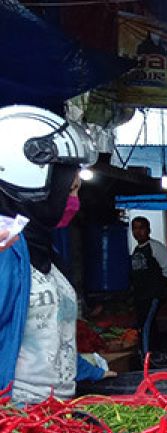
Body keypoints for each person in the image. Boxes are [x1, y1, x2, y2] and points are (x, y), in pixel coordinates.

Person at [0, 104, 99, 405]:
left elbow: (52, 342)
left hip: (54, 423)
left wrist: (93, 371)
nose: (75, 202)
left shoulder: (41, 251)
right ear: (31, 182)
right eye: (69, 191)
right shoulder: (5, 252)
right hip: (15, 428)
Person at [129, 215, 167, 355]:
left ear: (148, 230)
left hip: (152, 295)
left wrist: (159, 289)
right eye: (135, 228)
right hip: (140, 296)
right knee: (146, 325)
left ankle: (146, 357)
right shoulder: (137, 250)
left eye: (141, 228)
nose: (138, 232)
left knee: (146, 326)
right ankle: (154, 354)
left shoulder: (155, 247)